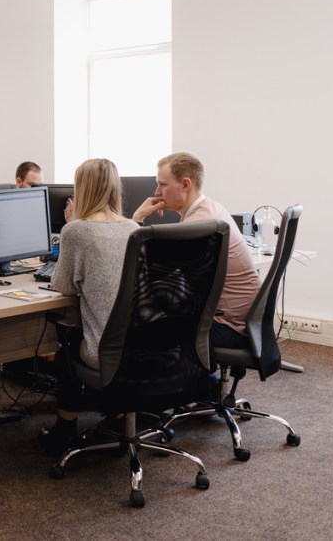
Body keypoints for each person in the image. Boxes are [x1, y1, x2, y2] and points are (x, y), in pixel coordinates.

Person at [38, 158, 138, 456]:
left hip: (105, 353)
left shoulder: (77, 231)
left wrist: (70, 226)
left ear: (81, 189)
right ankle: (120, 416)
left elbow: (63, 287)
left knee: (67, 338)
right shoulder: (133, 227)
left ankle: (65, 428)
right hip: (143, 347)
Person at [131, 151, 260, 351]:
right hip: (243, 321)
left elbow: (146, 270)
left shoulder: (199, 224)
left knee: (137, 334)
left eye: (163, 184)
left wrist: (137, 218)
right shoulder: (209, 210)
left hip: (229, 326)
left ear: (185, 184)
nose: (157, 192)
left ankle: (187, 380)